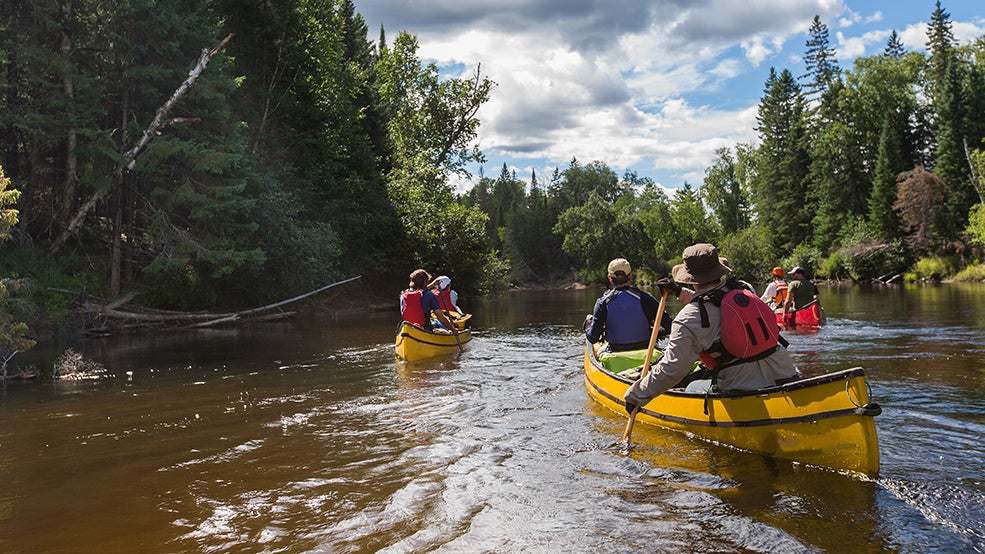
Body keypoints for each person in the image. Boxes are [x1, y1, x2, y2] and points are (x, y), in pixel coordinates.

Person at [623, 243, 800, 411]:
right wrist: (679, 292)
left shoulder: (688, 319)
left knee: (692, 386)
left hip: (743, 386)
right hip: (785, 372)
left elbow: (673, 369)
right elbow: (714, 302)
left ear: (690, 278)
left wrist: (636, 395)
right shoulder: (745, 291)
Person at [585, 258, 672, 352]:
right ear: (630, 276)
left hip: (615, 351)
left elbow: (593, 338)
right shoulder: (646, 298)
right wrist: (657, 332)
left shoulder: (602, 303)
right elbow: (671, 327)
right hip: (645, 351)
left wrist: (588, 327)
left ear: (610, 278)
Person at [400, 269, 458, 335]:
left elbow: (420, 292)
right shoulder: (430, 295)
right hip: (425, 328)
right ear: (425, 281)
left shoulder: (404, 295)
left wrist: (433, 284)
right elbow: (441, 318)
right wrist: (453, 329)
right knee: (442, 329)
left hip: (407, 328)